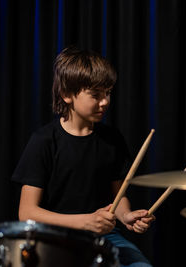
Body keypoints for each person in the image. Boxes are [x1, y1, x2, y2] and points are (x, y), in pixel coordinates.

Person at [12, 46, 155, 267]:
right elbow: (27, 212)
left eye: (107, 93)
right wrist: (85, 221)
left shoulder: (112, 139)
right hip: (54, 237)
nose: (105, 101)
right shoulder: (43, 141)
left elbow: (117, 198)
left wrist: (126, 216)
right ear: (67, 94)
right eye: (96, 95)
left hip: (104, 237)